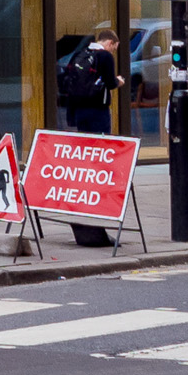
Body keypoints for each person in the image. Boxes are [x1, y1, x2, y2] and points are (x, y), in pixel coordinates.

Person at [55, 24, 123, 249]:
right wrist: (120, 81)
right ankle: (98, 176)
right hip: (98, 111)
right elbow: (111, 83)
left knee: (85, 147)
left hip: (78, 111)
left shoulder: (80, 54)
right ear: (110, 42)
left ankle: (86, 175)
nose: (113, 51)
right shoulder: (104, 57)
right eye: (114, 47)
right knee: (101, 147)